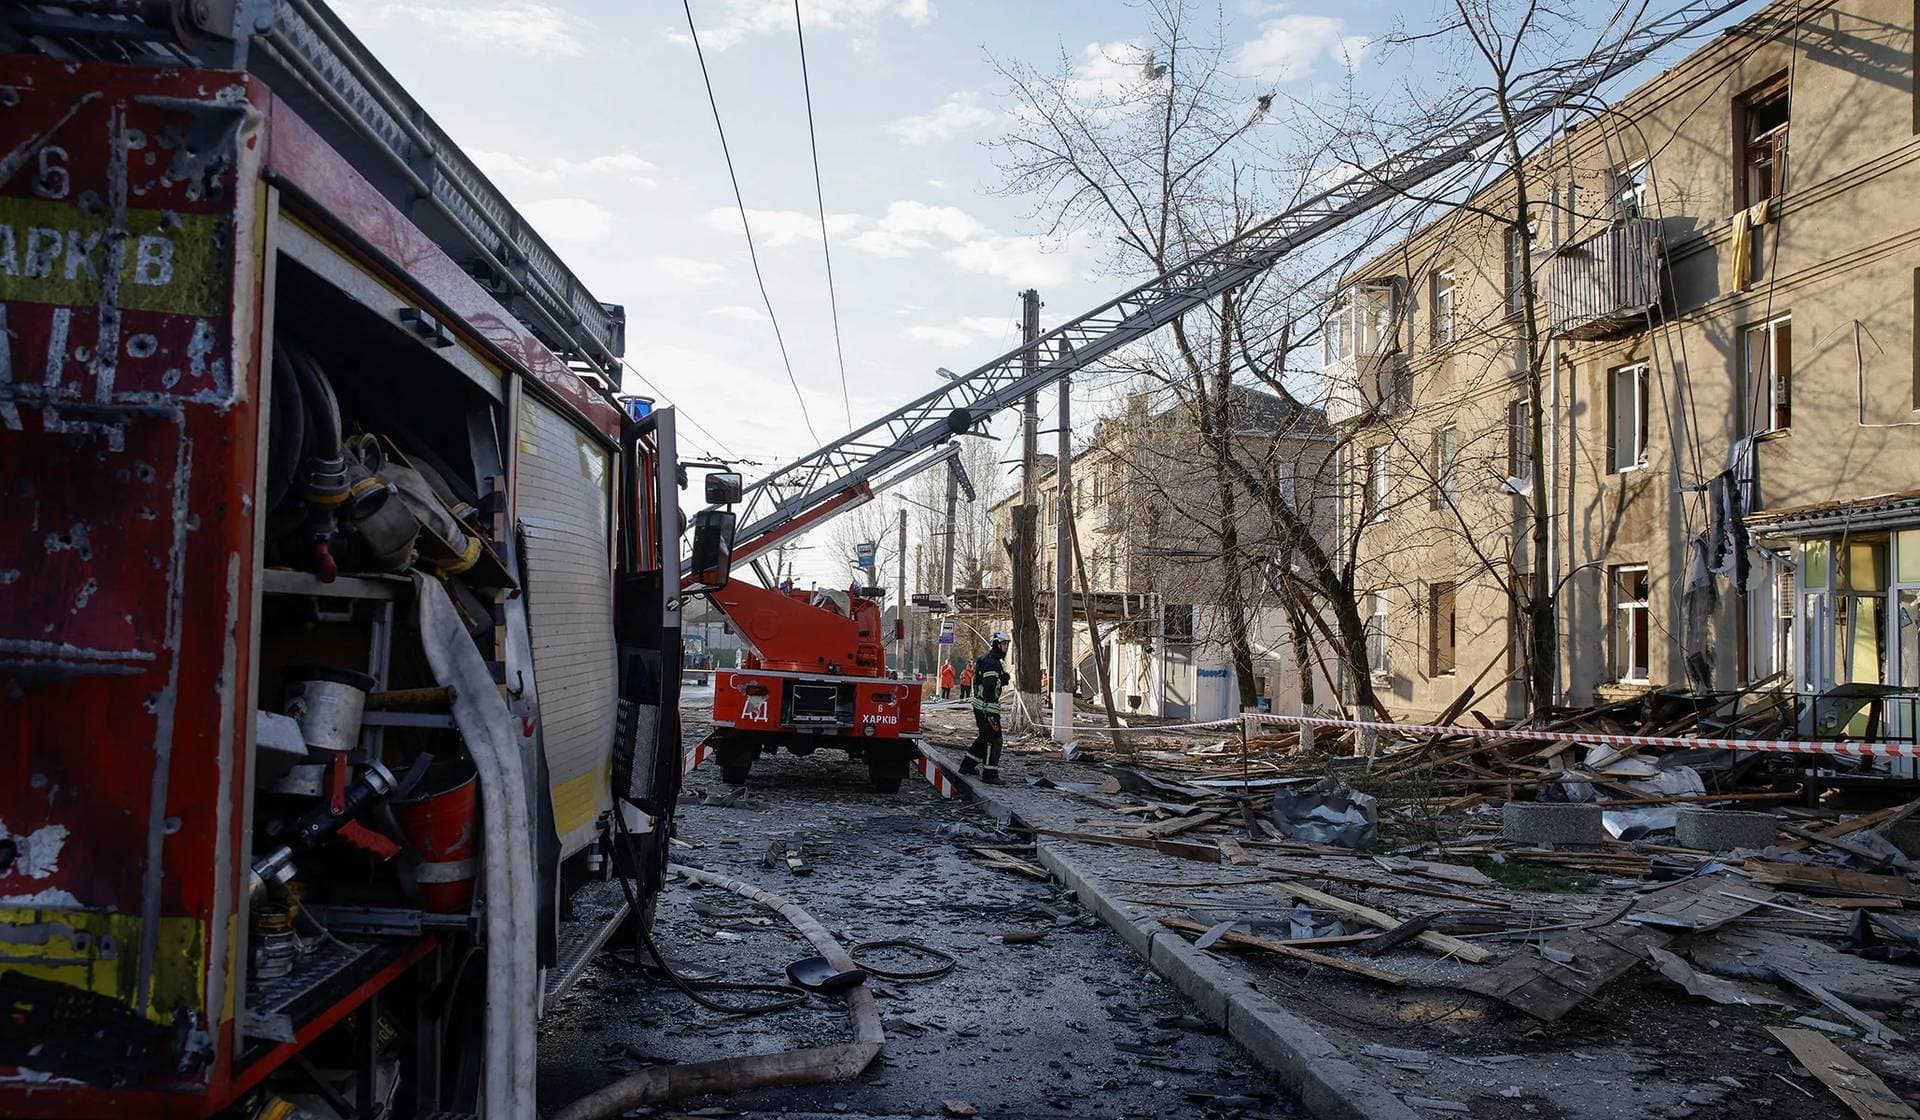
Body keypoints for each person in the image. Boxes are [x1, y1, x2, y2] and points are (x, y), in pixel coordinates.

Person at [962, 633, 1008, 783]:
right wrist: (989, 711)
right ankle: (990, 774)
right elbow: (989, 685)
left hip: (980, 705)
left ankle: (967, 766)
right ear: (996, 644)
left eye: (1007, 644)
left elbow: (984, 681)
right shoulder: (993, 662)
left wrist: (1001, 679)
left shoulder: (986, 659)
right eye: (1003, 644)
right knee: (994, 740)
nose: (1006, 647)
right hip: (988, 707)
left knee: (984, 737)